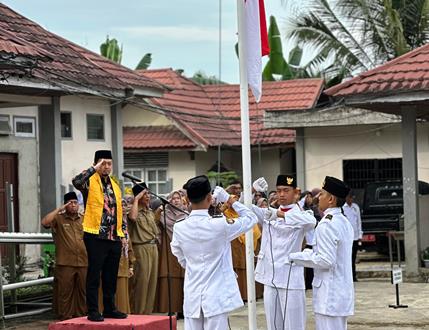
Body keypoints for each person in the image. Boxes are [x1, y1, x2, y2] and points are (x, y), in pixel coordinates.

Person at [171, 176, 257, 329]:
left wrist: (194, 266)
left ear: (188, 199)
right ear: (210, 197)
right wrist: (229, 200)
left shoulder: (180, 227)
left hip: (193, 294)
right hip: (216, 296)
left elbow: (180, 256)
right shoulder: (220, 224)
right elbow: (251, 217)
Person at [251, 175, 316, 330]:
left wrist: (279, 214)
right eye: (279, 190)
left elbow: (311, 223)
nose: (281, 194)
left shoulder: (304, 214)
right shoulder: (268, 213)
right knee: (273, 326)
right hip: (270, 278)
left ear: (296, 193)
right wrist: (252, 190)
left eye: (286, 190)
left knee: (294, 326)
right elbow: (241, 207)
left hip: (290, 279)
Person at [289, 176, 354, 330]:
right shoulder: (343, 221)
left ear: (331, 199)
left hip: (329, 295)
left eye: (322, 194)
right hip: (339, 293)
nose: (318, 197)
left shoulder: (327, 225)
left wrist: (298, 257)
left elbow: (326, 260)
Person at [72, 150, 126, 322]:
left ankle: (110, 308)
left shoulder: (115, 185)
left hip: (114, 236)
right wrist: (93, 169)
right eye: (103, 163)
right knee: (95, 274)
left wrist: (123, 234)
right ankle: (93, 310)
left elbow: (120, 212)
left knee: (110, 275)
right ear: (96, 163)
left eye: (109, 163)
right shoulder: (89, 181)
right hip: (95, 235)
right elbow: (76, 181)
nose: (107, 167)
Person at [41, 192, 87, 320]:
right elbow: (45, 222)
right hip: (65, 262)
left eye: (75, 202)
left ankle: (81, 317)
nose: (73, 205)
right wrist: (59, 209)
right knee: (65, 291)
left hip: (83, 261)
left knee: (83, 291)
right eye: (70, 203)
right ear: (65, 205)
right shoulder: (59, 219)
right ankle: (65, 318)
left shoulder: (83, 218)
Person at [128, 182, 160, 314]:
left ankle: (147, 314)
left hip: (153, 248)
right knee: (141, 283)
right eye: (144, 194)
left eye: (148, 193)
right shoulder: (133, 210)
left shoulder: (149, 211)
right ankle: (138, 314)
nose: (148, 196)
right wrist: (136, 199)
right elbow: (133, 218)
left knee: (152, 284)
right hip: (141, 248)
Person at [98, 198, 135, 314]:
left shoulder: (124, 223)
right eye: (120, 205)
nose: (123, 208)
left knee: (122, 293)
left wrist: (131, 265)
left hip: (123, 262)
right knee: (107, 288)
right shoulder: (107, 221)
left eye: (124, 205)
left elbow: (128, 246)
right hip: (109, 261)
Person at [154, 190, 187, 317]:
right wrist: (157, 212)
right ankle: (171, 308)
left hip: (183, 249)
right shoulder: (164, 214)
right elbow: (155, 224)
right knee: (170, 280)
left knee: (184, 279)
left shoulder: (186, 213)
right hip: (168, 250)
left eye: (178, 198)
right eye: (173, 198)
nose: (176, 200)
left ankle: (183, 310)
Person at [343, 191, 363, 282]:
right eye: (349, 197)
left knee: (353, 257)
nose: (350, 199)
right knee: (347, 257)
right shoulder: (343, 208)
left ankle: (353, 276)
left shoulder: (355, 207)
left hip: (354, 236)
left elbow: (358, 221)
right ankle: (347, 276)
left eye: (352, 198)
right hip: (346, 237)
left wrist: (360, 234)